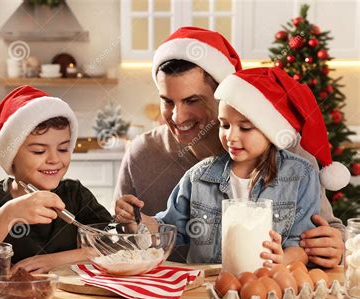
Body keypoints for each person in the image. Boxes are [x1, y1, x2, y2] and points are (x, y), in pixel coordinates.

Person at [114, 26, 346, 267]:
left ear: (224, 96)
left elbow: (327, 231)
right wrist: (130, 222)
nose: (178, 117)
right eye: (167, 101)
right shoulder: (143, 154)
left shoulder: (289, 156)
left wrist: (335, 245)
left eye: (192, 100)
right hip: (182, 296)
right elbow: (123, 242)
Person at [0, 85, 112, 278]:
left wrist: (53, 261)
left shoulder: (75, 194)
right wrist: (8, 214)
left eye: (63, 149)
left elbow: (115, 244)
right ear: (12, 155)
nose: (54, 159)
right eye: (39, 151)